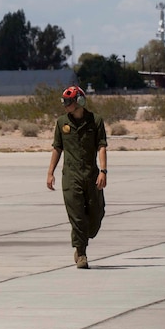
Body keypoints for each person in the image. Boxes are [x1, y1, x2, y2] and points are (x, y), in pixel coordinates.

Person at [47, 85, 107, 269]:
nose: (65, 105)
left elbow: (102, 146)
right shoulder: (61, 122)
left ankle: (82, 239)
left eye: (68, 102)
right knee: (77, 217)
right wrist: (50, 172)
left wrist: (103, 171)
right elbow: (57, 148)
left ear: (79, 101)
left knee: (96, 215)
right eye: (64, 102)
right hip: (71, 176)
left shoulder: (95, 121)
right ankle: (81, 253)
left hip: (91, 175)